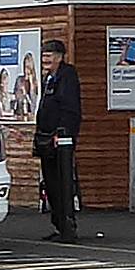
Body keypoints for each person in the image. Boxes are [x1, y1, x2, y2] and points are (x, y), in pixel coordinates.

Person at [35, 39, 82, 243]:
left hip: (60, 137)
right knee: (51, 182)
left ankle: (67, 225)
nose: (45, 59)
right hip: (46, 135)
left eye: (49, 55)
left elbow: (69, 107)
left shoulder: (67, 76)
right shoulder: (48, 78)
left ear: (60, 57)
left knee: (62, 181)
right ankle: (58, 223)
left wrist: (62, 132)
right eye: (43, 55)